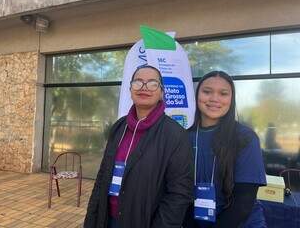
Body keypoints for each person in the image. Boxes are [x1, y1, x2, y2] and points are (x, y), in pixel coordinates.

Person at [84, 65, 194, 228]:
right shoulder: (119, 127)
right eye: (138, 82)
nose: (144, 87)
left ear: (162, 92)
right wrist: (91, 219)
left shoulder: (176, 134)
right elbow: (102, 177)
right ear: (130, 89)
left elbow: (179, 194)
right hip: (107, 219)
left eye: (152, 83)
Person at [183, 71, 267, 228]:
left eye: (223, 93)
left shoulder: (245, 138)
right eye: (207, 92)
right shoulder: (184, 137)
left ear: (231, 99)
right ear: (197, 96)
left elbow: (243, 204)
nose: (214, 99)